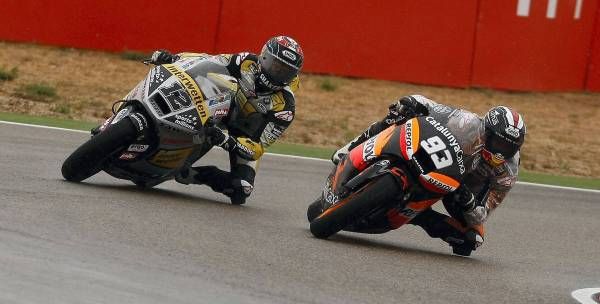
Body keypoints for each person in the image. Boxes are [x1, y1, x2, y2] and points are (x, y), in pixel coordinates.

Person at [331, 95, 526, 256]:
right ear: (486, 132)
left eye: (508, 147)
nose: (501, 152)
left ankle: (415, 215)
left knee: (471, 239)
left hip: (460, 190)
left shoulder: (508, 172)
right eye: (499, 143)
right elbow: (431, 106)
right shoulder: (468, 123)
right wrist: (411, 103)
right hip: (439, 157)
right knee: (397, 116)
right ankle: (352, 149)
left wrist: (469, 203)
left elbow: (483, 215)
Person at [148, 36, 304, 205]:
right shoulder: (245, 62)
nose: (277, 73)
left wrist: (227, 140)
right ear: (264, 56)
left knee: (241, 189)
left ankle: (187, 173)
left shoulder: (285, 108)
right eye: (275, 66)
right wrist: (174, 58)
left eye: (285, 71)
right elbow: (209, 60)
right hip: (220, 105)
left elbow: (258, 148)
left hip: (245, 135)